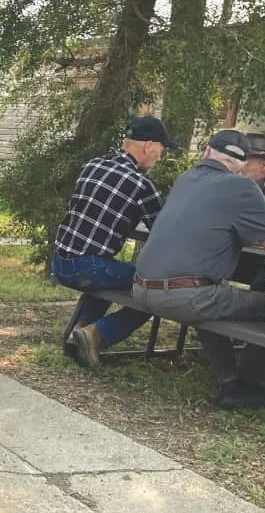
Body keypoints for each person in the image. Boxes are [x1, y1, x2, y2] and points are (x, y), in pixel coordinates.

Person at [131, 130, 265, 408]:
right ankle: (259, 383)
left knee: (213, 293)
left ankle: (230, 382)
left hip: (141, 288)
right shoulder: (243, 188)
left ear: (206, 153)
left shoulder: (184, 179)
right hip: (185, 298)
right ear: (242, 164)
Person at [53, 116, 176, 367]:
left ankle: (81, 330)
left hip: (60, 260)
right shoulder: (142, 183)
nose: (160, 157)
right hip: (87, 268)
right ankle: (98, 335)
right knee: (155, 290)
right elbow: (164, 233)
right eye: (162, 150)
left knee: (111, 271)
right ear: (149, 145)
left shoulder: (93, 164)